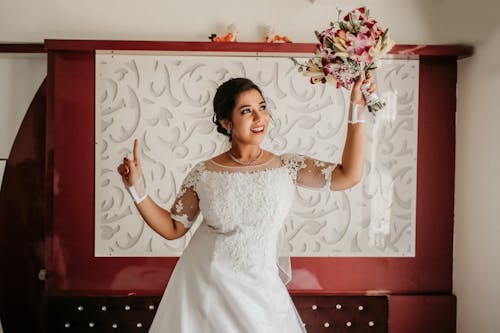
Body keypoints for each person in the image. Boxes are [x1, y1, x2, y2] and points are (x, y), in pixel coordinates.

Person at [117, 74, 375, 332]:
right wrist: (136, 188)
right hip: (206, 288)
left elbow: (349, 175)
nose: (259, 118)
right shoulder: (204, 172)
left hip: (262, 292)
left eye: (262, 107)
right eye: (247, 111)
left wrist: (356, 109)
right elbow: (173, 228)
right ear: (226, 122)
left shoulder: (288, 166)